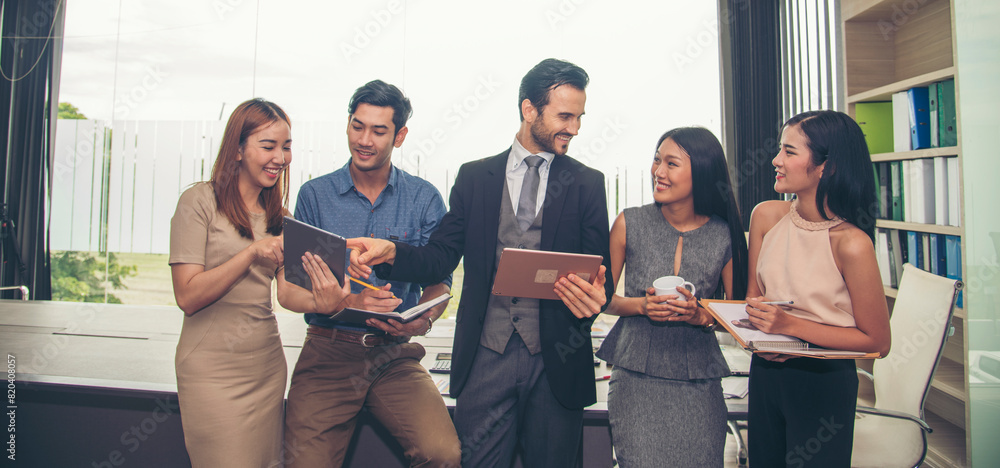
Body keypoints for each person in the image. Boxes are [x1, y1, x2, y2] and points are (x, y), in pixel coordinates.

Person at [347, 58, 614, 468]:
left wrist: (598, 294)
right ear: (529, 110)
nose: (574, 128)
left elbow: (602, 277)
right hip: (486, 360)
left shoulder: (587, 183)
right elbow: (438, 258)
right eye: (564, 116)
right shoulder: (475, 178)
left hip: (557, 363)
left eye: (579, 117)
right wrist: (392, 253)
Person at [280, 80, 461, 468]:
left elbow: (439, 278)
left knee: (443, 455)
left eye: (379, 131)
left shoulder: (424, 198)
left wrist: (423, 320)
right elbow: (296, 285)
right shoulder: (314, 196)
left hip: (394, 356)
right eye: (357, 126)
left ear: (400, 136)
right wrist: (349, 301)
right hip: (328, 352)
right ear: (348, 123)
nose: (364, 139)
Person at [169, 98, 350, 467]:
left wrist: (324, 302)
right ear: (237, 149)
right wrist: (251, 253)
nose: (280, 157)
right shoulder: (198, 202)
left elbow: (287, 292)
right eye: (268, 146)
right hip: (211, 371)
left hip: (265, 367)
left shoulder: (280, 216)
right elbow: (187, 295)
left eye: (286, 147)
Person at [594, 127, 748, 467]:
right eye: (656, 160)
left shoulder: (724, 234)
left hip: (699, 385)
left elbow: (738, 314)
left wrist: (701, 314)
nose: (658, 172)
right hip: (636, 380)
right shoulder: (627, 222)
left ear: (702, 171)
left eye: (671, 163)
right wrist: (641, 306)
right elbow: (600, 299)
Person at [745, 110, 891, 467]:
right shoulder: (765, 217)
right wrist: (757, 332)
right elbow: (752, 302)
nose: (776, 160)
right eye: (780, 149)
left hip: (822, 383)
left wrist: (788, 327)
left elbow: (876, 342)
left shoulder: (852, 244)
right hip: (766, 373)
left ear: (826, 166)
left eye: (790, 152)